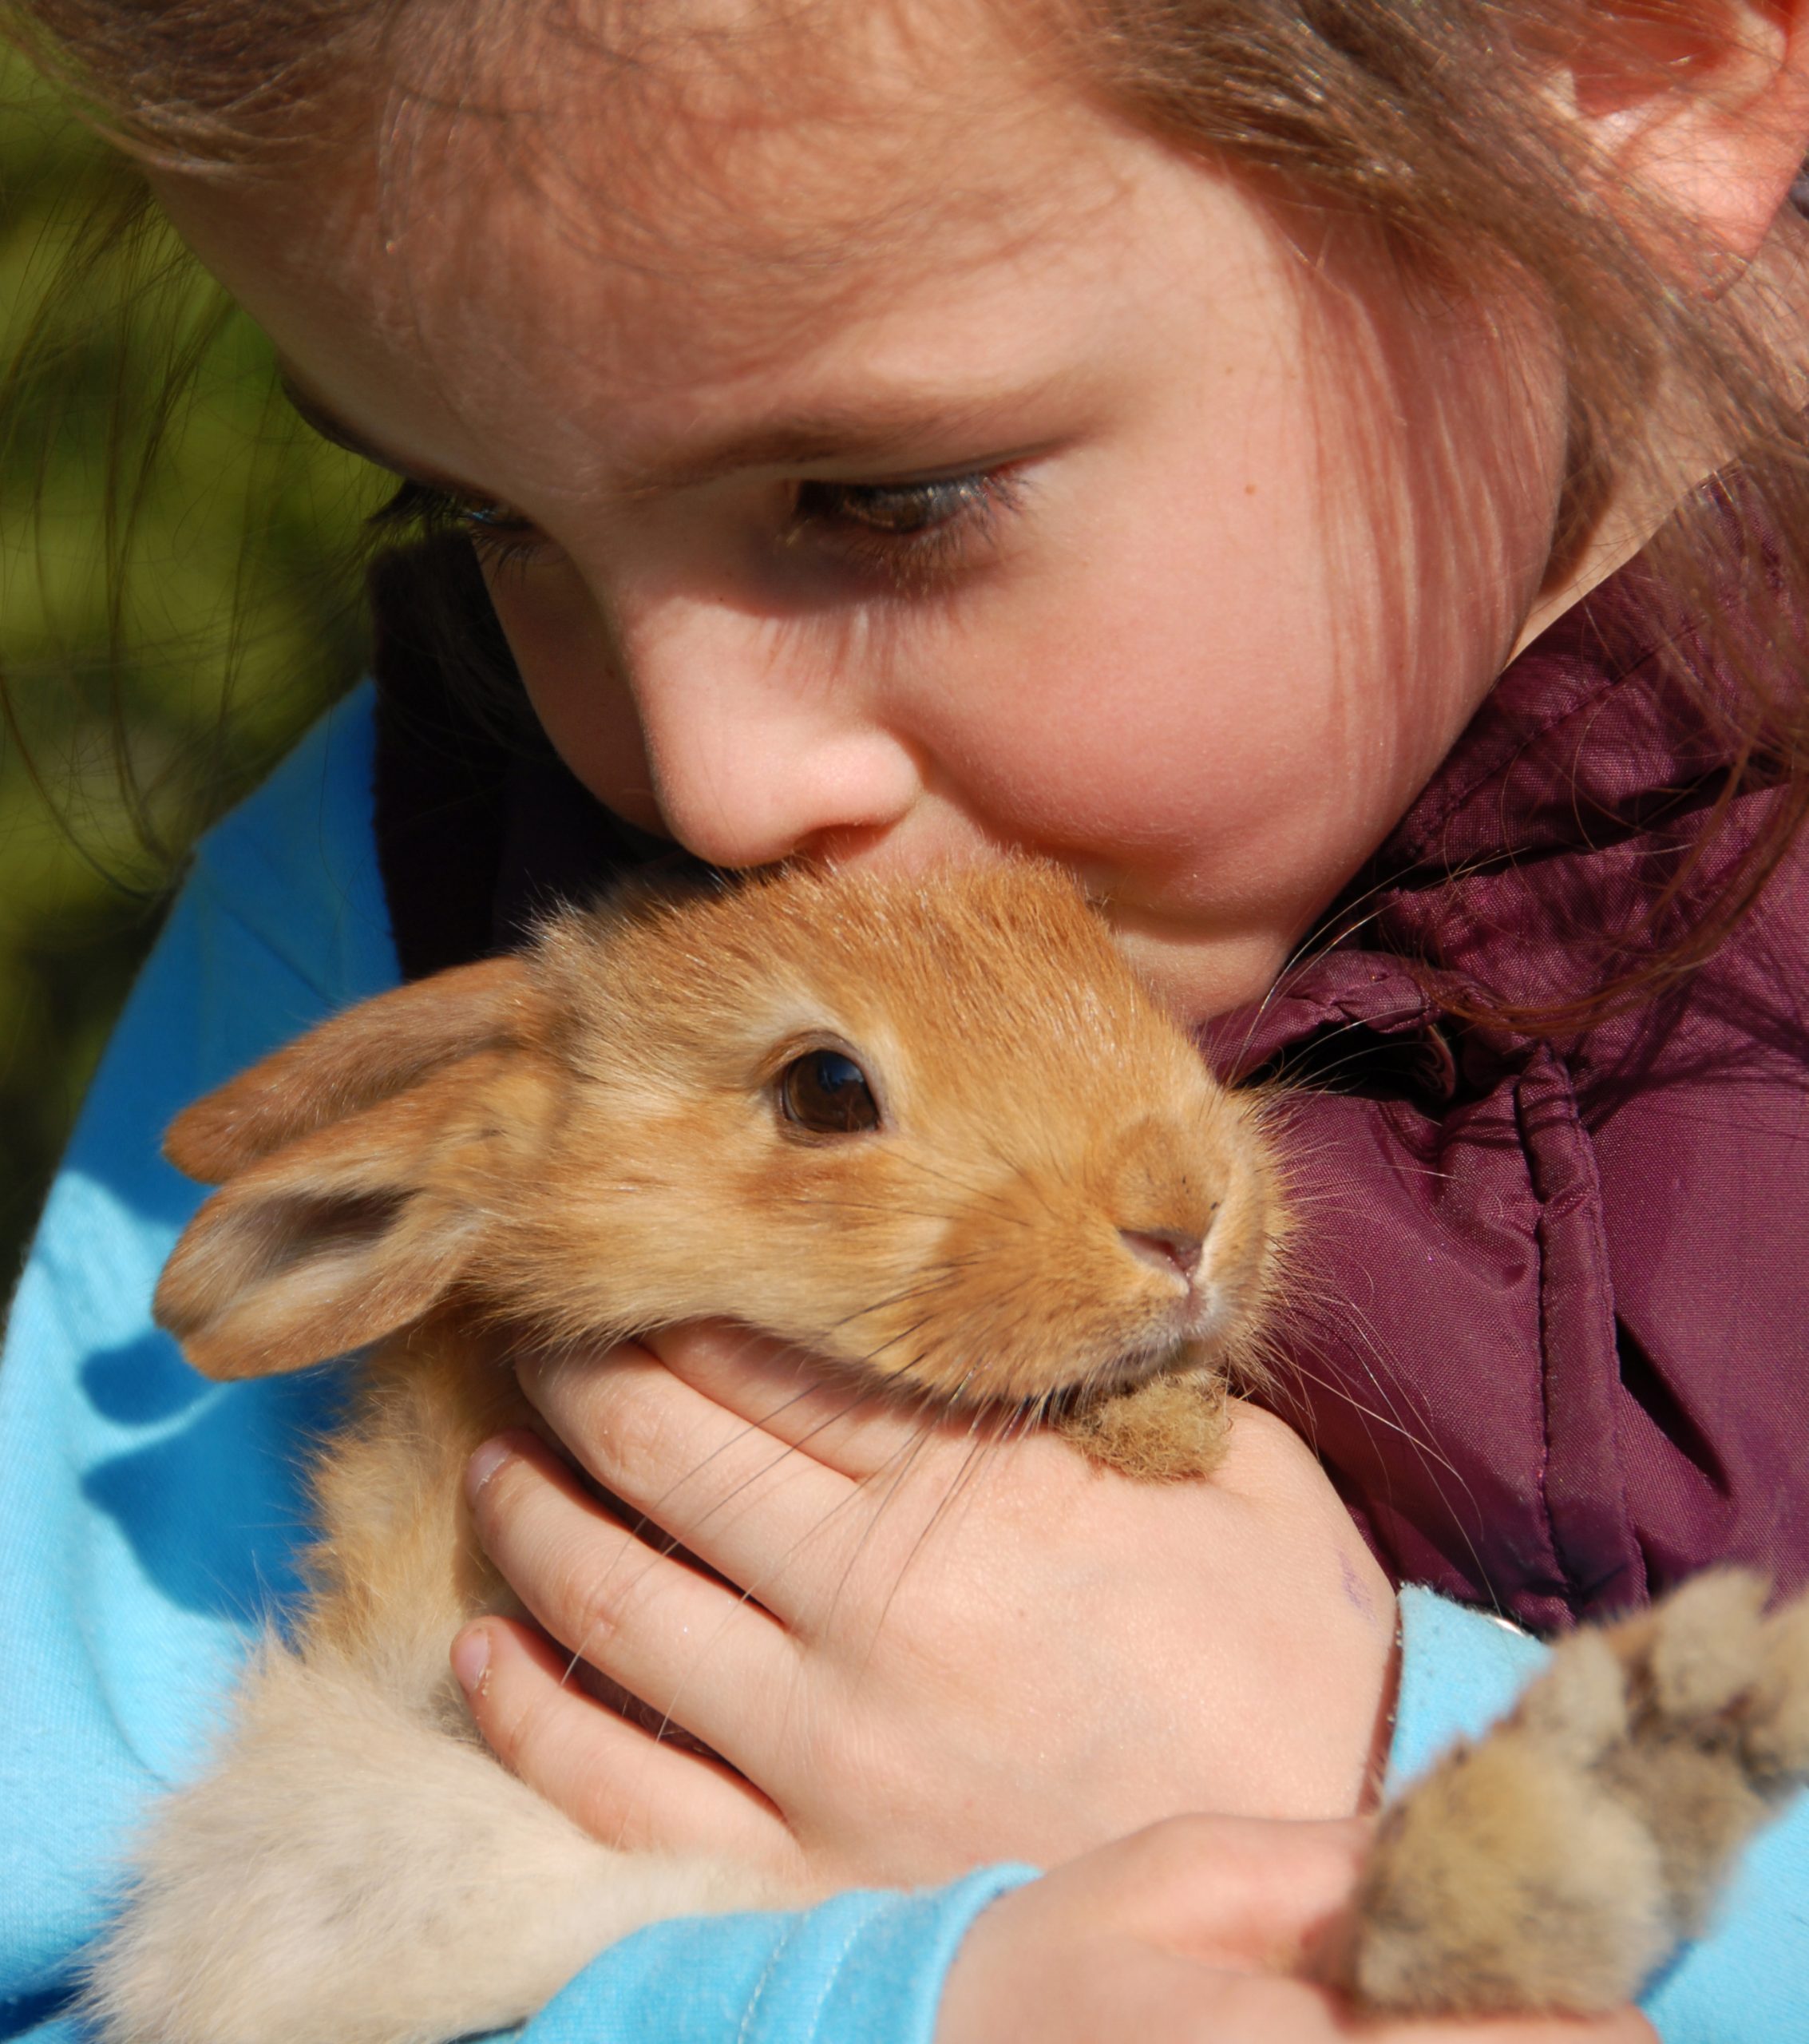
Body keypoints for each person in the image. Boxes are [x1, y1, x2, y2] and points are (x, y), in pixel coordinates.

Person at [1, 0, 1807, 2038]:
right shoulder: (397, 886)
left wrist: (1349, 1770)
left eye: (886, 498)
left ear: (1616, 79)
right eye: (483, 517)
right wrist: (871, 1997)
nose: (707, 781)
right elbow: (91, 1960)